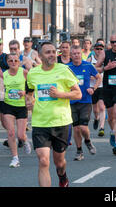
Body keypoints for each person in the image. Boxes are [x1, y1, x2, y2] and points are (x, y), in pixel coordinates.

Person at [25, 41, 82, 187]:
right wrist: (29, 101)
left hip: (61, 122)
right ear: (40, 55)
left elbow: (78, 94)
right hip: (40, 123)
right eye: (48, 52)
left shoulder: (63, 70)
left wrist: (59, 94)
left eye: (53, 51)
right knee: (43, 161)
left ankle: (62, 176)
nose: (52, 55)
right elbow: (29, 92)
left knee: (59, 162)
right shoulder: (33, 73)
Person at [67, 45, 100, 160]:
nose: (76, 56)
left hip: (85, 100)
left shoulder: (88, 65)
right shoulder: (67, 67)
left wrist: (93, 88)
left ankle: (88, 141)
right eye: (74, 54)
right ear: (71, 55)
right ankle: (79, 151)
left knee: (83, 127)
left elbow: (98, 77)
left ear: (81, 54)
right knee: (76, 128)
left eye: (78, 53)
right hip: (71, 101)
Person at [0, 53, 31, 167]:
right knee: (11, 132)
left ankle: (25, 140)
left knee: (20, 135)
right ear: (7, 62)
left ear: (19, 62)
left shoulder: (24, 72)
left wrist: (25, 93)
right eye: (11, 61)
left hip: (21, 106)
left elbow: (32, 87)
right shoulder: (4, 74)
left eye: (16, 61)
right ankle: (15, 158)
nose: (13, 63)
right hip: (8, 105)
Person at [88, 42, 106, 136]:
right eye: (97, 49)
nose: (99, 51)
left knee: (102, 107)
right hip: (93, 86)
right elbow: (86, 70)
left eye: (101, 49)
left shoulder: (105, 59)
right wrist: (90, 76)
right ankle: (96, 118)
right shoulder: (90, 59)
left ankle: (102, 127)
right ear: (94, 50)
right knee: (95, 109)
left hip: (103, 86)